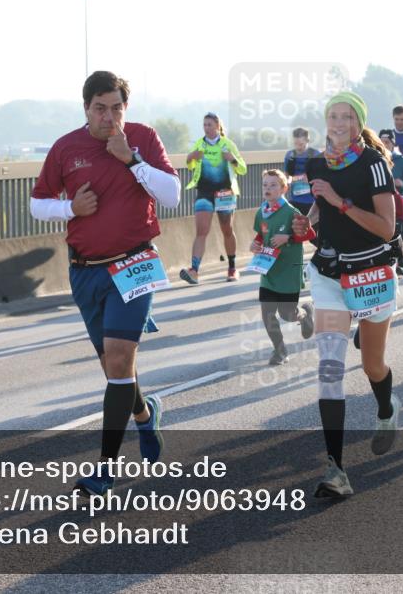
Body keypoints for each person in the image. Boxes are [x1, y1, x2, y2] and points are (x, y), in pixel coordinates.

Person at [30, 71, 181, 495]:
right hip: (85, 271)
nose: (109, 117)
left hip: (135, 263)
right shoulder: (65, 147)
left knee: (118, 361)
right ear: (86, 108)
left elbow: (171, 195)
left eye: (117, 108)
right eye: (100, 108)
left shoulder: (142, 138)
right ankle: (145, 416)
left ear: (125, 108)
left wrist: (132, 160)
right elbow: (36, 203)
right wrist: (69, 208)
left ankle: (105, 471)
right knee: (114, 367)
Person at [290, 91, 399, 498]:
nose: (337, 123)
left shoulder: (373, 163)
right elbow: (319, 211)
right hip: (329, 275)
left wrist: (340, 203)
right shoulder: (316, 162)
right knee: (330, 368)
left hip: (371, 271)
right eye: (332, 116)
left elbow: (386, 227)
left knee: (373, 365)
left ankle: (387, 410)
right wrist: (307, 223)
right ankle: (336, 470)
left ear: (357, 123)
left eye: (345, 117)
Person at [248, 169, 316, 365]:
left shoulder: (291, 212)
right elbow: (261, 235)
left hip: (288, 270)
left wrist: (289, 237)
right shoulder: (262, 212)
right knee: (267, 313)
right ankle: (280, 350)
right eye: (265, 185)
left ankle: (304, 314)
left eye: (273, 185)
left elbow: (309, 234)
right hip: (268, 271)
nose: (268, 189)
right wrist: (255, 244)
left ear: (284, 188)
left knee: (287, 314)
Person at [181, 112, 247, 284]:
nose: (206, 128)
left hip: (225, 193)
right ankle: (194, 270)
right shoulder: (199, 143)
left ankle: (232, 268)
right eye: (204, 125)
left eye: (209, 124)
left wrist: (232, 159)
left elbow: (243, 169)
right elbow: (190, 165)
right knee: (201, 231)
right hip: (204, 192)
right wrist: (190, 158)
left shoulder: (228, 144)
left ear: (218, 126)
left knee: (227, 230)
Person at [380, 129, 403, 284]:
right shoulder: (375, 159)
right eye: (381, 141)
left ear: (393, 143)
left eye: (387, 142)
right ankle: (396, 259)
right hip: (385, 201)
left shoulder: (402, 161)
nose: (384, 144)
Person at [283, 127, 320, 216]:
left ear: (307, 140)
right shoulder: (289, 155)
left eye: (301, 144)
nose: (298, 147)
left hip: (313, 201)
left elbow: (323, 175)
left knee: (312, 228)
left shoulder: (316, 154)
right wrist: (290, 180)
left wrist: (311, 177)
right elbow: (286, 176)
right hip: (295, 200)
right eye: (296, 144)